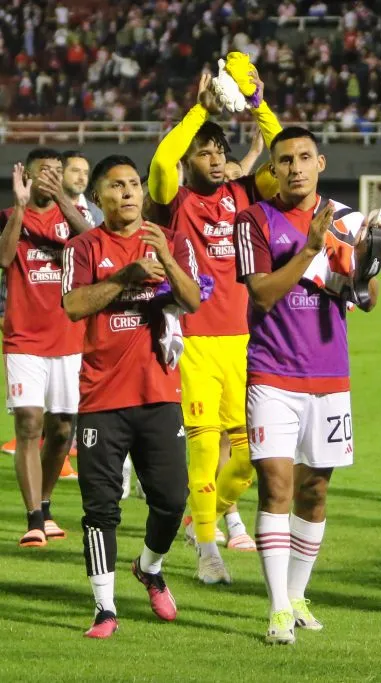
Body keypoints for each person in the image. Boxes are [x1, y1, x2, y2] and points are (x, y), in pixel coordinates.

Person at [235, 126, 381, 644]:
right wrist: (311, 249)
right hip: (271, 373)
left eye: (303, 157)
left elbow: (368, 299)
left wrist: (362, 266)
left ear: (320, 162)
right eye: (284, 160)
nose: (294, 167)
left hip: (329, 376)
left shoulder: (349, 219)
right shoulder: (253, 219)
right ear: (271, 169)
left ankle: (297, 594)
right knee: (276, 485)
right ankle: (276, 609)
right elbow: (262, 295)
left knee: (315, 491)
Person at [147, 63, 282, 584]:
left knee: (252, 455)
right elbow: (162, 159)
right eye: (203, 152)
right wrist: (201, 107)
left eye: (219, 151)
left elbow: (280, 155)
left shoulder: (244, 196)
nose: (215, 159)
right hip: (196, 341)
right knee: (204, 447)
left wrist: (257, 105)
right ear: (189, 160)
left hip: (246, 340)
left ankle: (200, 517)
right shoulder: (171, 201)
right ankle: (208, 547)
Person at [62, 154, 202, 638]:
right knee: (100, 507)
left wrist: (163, 258)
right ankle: (104, 608)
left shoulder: (174, 241)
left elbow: (193, 300)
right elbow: (73, 306)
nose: (126, 193)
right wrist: (125, 277)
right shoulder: (83, 247)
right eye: (115, 186)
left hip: (160, 393)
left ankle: (149, 566)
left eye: (132, 185)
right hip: (101, 398)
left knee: (170, 498)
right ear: (98, 198)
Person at [0, 150, 89, 547]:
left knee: (62, 429)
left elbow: (93, 244)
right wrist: (19, 208)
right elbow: (4, 258)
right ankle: (34, 517)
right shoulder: (8, 217)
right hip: (24, 340)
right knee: (29, 424)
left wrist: (65, 201)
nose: (51, 178)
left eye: (58, 172)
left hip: (69, 340)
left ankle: (47, 504)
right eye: (44, 173)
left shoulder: (70, 220)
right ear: (29, 178)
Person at [61, 150, 104, 227]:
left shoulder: (97, 214)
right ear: (60, 173)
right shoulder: (46, 208)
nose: (82, 178)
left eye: (85, 173)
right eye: (75, 171)